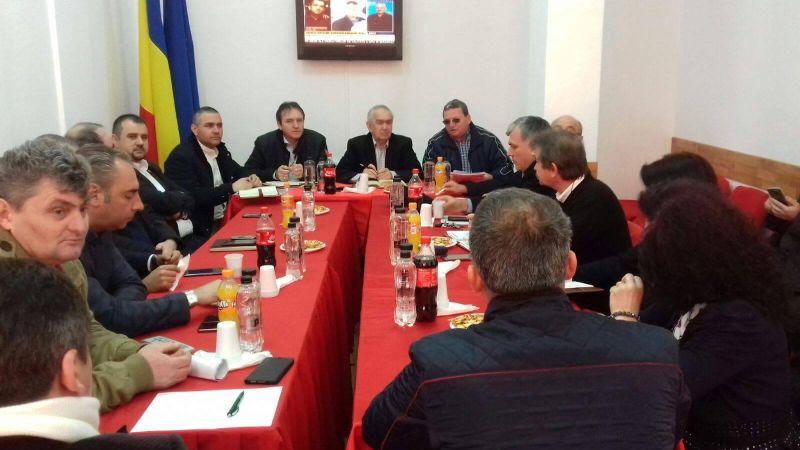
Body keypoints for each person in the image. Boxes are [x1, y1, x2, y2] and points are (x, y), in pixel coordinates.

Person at [362, 188, 685, 448]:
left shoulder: (437, 363)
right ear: (570, 267)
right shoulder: (657, 352)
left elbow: (378, 432)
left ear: (475, 279)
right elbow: (669, 432)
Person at [0, 139, 190, 412]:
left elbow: (86, 332)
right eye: (59, 211)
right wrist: (139, 372)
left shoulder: (64, 261)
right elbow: (48, 400)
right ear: (5, 214)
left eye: (82, 210)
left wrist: (137, 351)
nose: (79, 227)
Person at [611, 180, 799, 449]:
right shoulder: (696, 289)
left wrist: (625, 319)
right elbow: (648, 331)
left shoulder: (740, 317)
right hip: (692, 431)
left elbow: (661, 387)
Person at [0, 259, 187, 449]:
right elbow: (110, 316)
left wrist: (137, 352)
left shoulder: (68, 267)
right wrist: (140, 370)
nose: (79, 233)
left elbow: (93, 328)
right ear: (72, 373)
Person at [77, 145, 219, 338]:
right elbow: (113, 319)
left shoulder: (101, 232)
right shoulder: (69, 247)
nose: (139, 205)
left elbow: (132, 284)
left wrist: (121, 308)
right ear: (94, 195)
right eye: (129, 195)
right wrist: (193, 297)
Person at [574, 152, 718, 290]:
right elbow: (623, 264)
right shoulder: (667, 237)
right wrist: (569, 275)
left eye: (653, 192)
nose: (648, 198)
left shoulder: (705, 255)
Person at [532, 129, 631, 264]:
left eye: (537, 162)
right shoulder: (559, 193)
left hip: (600, 275)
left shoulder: (595, 197)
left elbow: (554, 247)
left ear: (553, 169)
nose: (535, 168)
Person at [165, 106, 261, 238]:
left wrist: (251, 177)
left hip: (227, 217)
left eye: (219, 125)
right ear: (195, 129)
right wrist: (232, 187)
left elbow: (238, 170)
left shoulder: (220, 150)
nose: (216, 130)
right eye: (209, 126)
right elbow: (193, 197)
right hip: (202, 228)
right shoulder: (181, 156)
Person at [436, 115, 555, 213]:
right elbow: (498, 185)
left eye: (514, 147)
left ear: (535, 148)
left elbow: (512, 206)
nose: (509, 153)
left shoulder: (541, 178)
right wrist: (464, 191)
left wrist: (464, 204)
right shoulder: (522, 174)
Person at [112, 114, 196, 244]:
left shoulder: (150, 166)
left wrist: (179, 212)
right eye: (132, 137)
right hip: (162, 243)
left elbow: (189, 197)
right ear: (115, 141)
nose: (140, 142)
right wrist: (174, 202)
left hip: (188, 236)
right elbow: (163, 202)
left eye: (144, 137)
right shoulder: (120, 174)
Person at [422, 99, 508, 180]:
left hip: (483, 189)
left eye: (456, 120)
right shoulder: (435, 143)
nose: (451, 125)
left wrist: (490, 177)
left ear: (468, 119)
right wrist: (441, 176)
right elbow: (427, 171)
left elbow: (506, 167)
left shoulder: (488, 140)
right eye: (447, 122)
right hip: (449, 189)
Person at [246, 101, 328, 182]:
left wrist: (307, 172)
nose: (296, 125)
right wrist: (275, 174)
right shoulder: (264, 142)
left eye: (299, 120)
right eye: (289, 121)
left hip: (307, 190)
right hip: (276, 190)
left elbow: (328, 172)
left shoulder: (317, 141)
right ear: (279, 125)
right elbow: (247, 172)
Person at [336, 105, 420, 183]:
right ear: (369, 126)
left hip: (393, 192)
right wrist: (362, 176)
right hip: (367, 192)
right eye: (380, 122)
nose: (385, 127)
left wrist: (392, 174)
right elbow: (340, 173)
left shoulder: (403, 144)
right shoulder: (356, 144)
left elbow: (418, 173)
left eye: (388, 122)